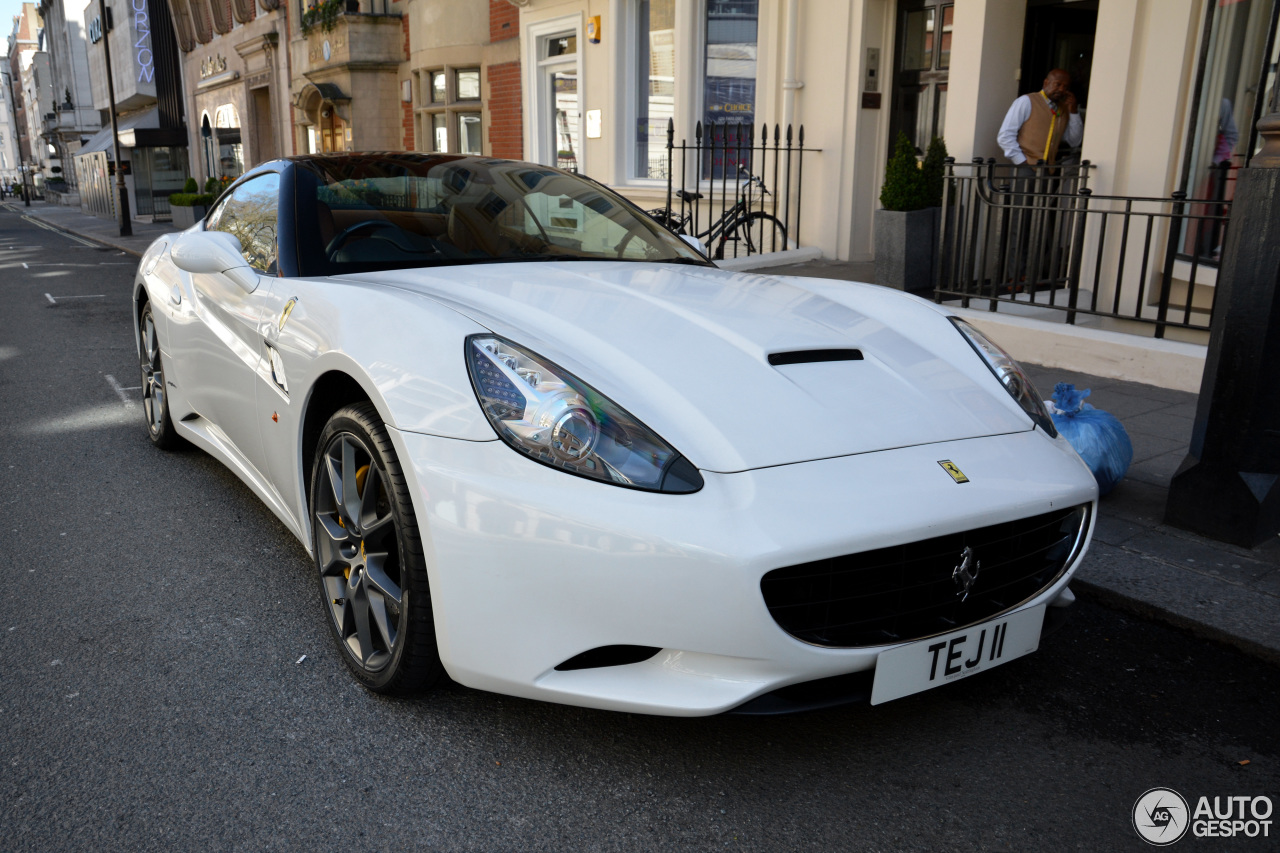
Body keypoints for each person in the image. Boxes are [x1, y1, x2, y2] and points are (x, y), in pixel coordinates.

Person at [997, 69, 1084, 170]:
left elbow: (1074, 141)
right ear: (1046, 83)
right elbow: (1005, 136)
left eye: (1065, 87)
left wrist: (1073, 112)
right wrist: (1022, 162)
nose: (1061, 89)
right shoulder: (1026, 101)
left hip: (1049, 170)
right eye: (1058, 84)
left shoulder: (1064, 109)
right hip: (1025, 167)